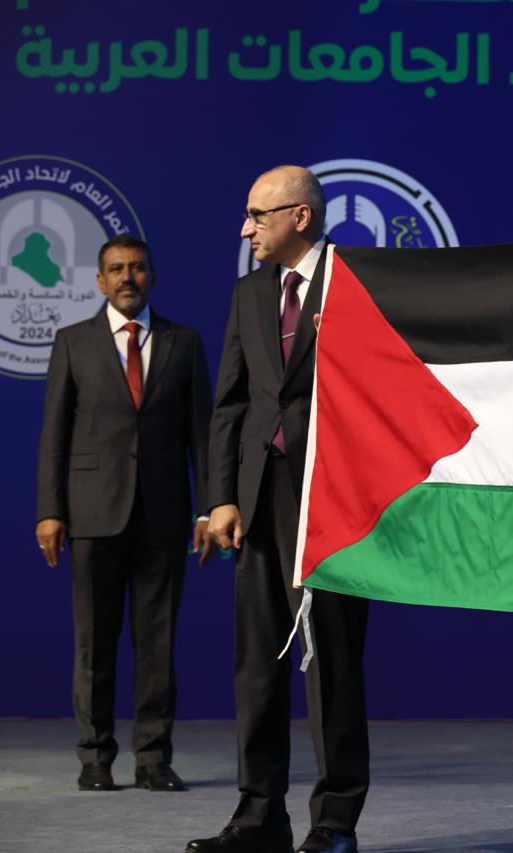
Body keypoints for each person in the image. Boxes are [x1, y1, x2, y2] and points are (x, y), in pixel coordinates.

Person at [188, 166, 369, 853]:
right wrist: (221, 497)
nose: (245, 229)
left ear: (300, 216)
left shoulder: (358, 280)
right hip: (259, 500)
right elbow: (231, 402)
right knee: (257, 663)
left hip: (335, 499)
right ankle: (260, 815)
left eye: (257, 216)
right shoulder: (250, 293)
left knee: (332, 664)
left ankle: (335, 822)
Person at [36, 235, 212, 793]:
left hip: (165, 516)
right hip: (91, 516)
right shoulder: (72, 342)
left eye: (136, 268)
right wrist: (50, 510)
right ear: (100, 281)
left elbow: (203, 438)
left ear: (152, 276)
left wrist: (209, 509)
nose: (127, 277)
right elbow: (54, 436)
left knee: (157, 644)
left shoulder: (185, 343)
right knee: (94, 643)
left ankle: (153, 759)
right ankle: (95, 758)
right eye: (116, 269)